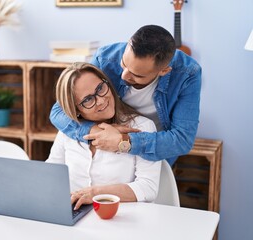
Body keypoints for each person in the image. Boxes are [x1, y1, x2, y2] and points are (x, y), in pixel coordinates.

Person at [50, 25, 202, 165]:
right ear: (128, 43)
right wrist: (95, 131)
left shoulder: (187, 73)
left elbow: (183, 140)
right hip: (107, 144)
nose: (123, 76)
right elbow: (58, 111)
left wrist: (123, 141)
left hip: (153, 151)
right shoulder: (105, 58)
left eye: (137, 75)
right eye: (123, 64)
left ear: (163, 71)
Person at [46, 62, 161, 210]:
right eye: (88, 99)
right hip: (74, 214)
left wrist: (95, 193)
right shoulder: (68, 130)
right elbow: (51, 173)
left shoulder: (142, 127)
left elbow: (148, 188)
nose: (101, 100)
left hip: (123, 217)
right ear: (76, 109)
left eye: (100, 88)